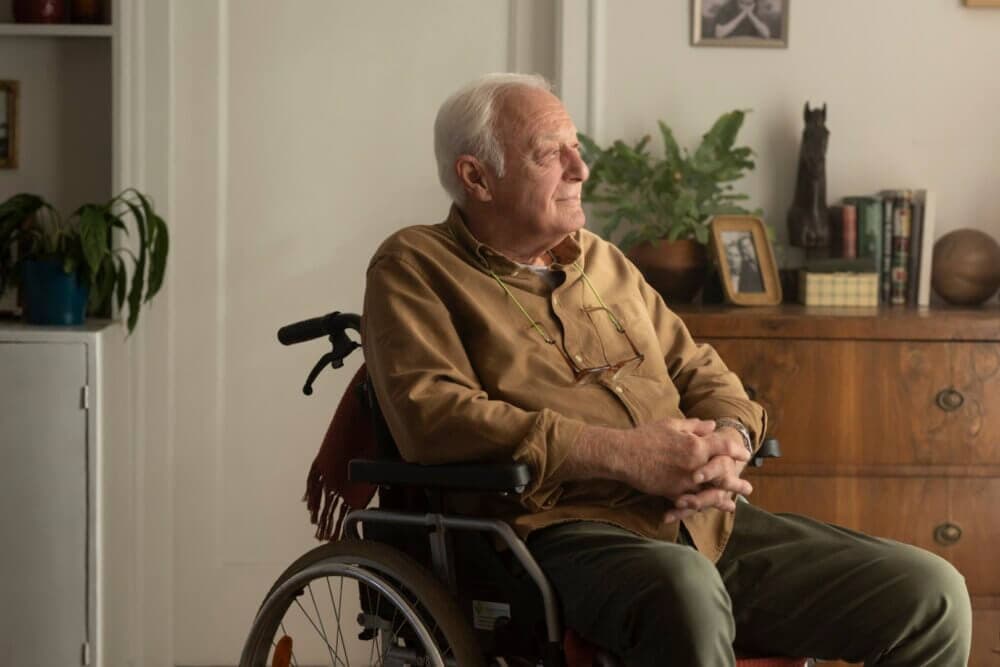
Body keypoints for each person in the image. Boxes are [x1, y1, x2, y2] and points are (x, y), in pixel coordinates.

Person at [362, 73, 971, 665]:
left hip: (704, 525)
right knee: (685, 591)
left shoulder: (604, 262)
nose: (582, 169)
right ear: (477, 176)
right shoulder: (415, 265)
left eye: (578, 149)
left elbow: (702, 372)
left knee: (930, 593)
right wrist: (623, 455)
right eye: (553, 154)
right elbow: (433, 415)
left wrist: (730, 440)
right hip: (555, 534)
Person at [704, 0, 782, 40]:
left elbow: (766, 34)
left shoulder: (758, 7)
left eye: (750, 4)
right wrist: (742, 15)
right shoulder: (727, 7)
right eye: (743, 3)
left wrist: (750, 15)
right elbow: (719, 34)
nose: (746, 6)